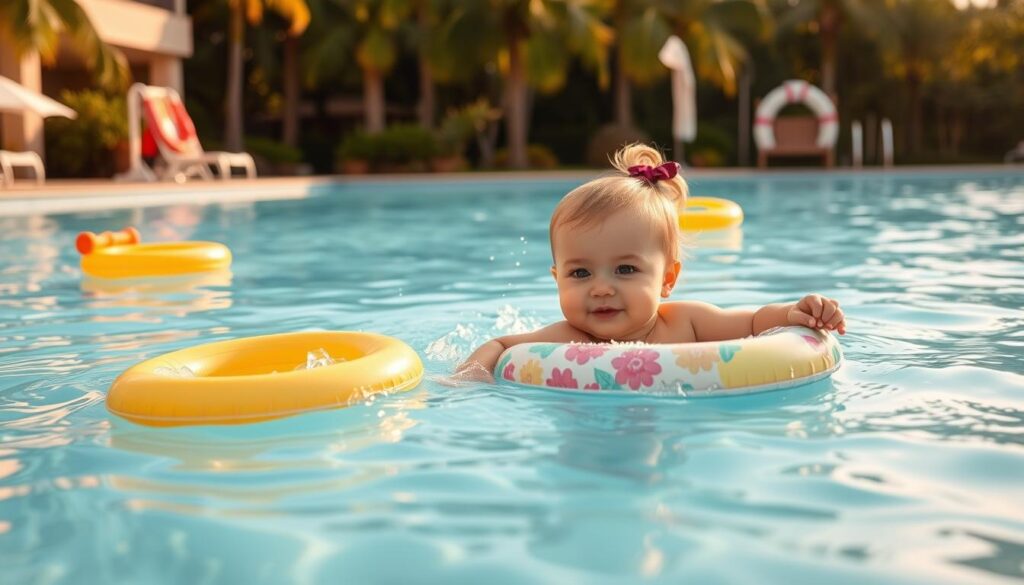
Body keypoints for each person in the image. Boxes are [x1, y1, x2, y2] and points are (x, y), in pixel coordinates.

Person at [455, 143, 846, 382]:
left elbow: (755, 324)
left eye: (625, 269)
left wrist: (796, 312)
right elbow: (498, 343)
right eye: (579, 272)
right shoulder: (568, 339)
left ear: (667, 279)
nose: (601, 287)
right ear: (557, 279)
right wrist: (469, 379)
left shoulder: (686, 322)